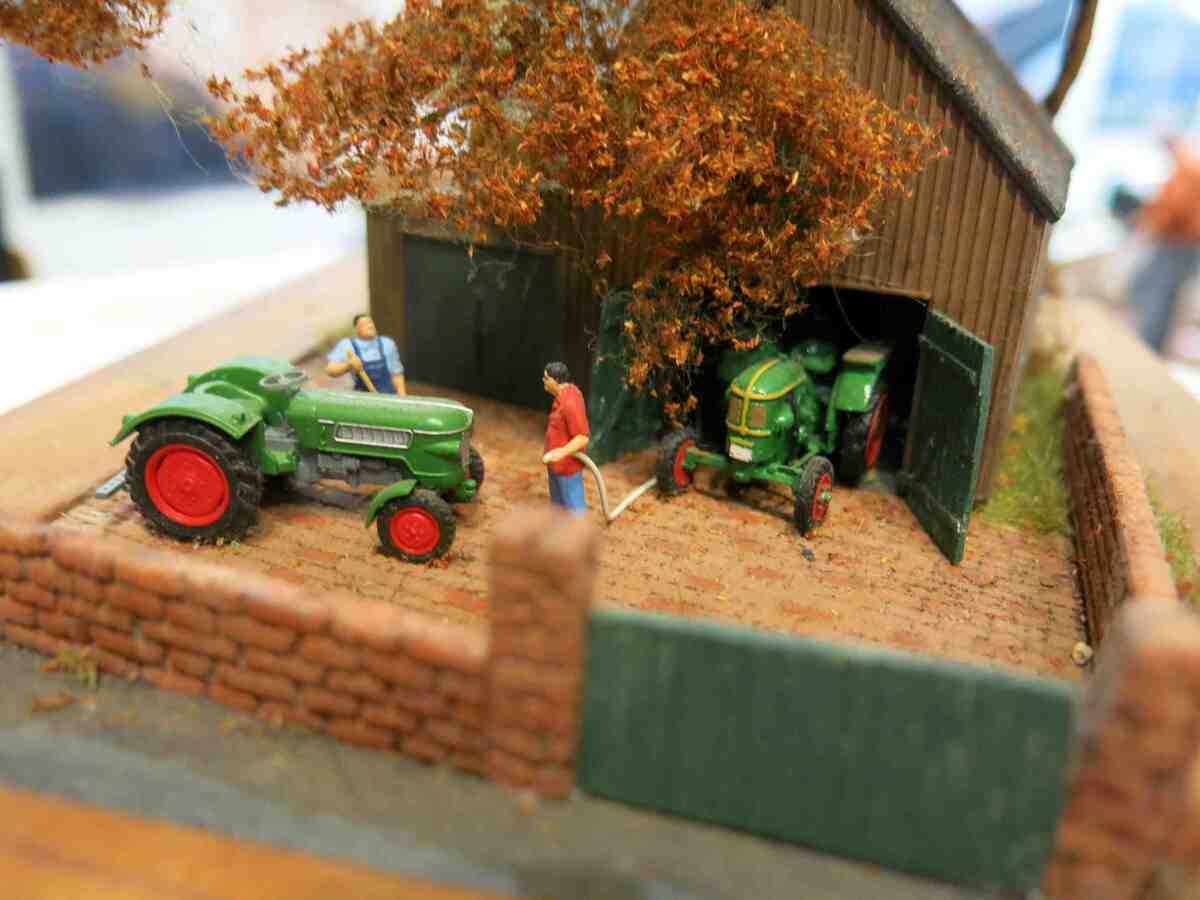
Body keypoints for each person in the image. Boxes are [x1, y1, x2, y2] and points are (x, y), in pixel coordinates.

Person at [1129, 140, 1200, 353]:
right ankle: (1148, 344)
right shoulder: (1189, 169)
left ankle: (1147, 346)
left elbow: (1173, 207)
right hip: (1183, 243)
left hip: (1178, 243)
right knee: (1156, 293)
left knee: (1159, 298)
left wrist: (1153, 223)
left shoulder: (1187, 171)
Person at [541, 361, 590, 514]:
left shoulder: (570, 402)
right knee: (559, 509)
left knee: (574, 510)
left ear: (556, 380)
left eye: (546, 378)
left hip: (567, 469)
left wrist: (561, 452)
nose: (543, 381)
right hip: (555, 466)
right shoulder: (561, 397)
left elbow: (582, 437)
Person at [325, 314, 406, 394]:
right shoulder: (347, 345)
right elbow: (330, 370)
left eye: (370, 322)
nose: (370, 326)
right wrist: (348, 365)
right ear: (356, 329)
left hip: (388, 395)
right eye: (364, 324)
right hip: (363, 397)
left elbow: (396, 374)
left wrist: (402, 398)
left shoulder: (387, 343)